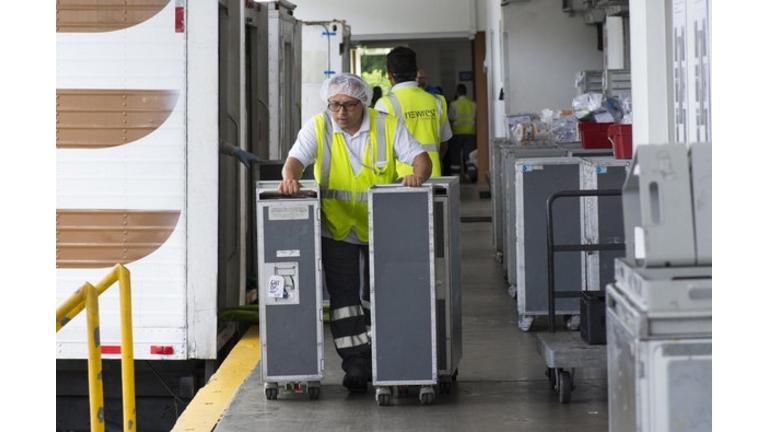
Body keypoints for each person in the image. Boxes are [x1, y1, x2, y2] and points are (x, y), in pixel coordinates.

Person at [278, 73, 432, 393]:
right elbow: (295, 160)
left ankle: (383, 357)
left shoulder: (386, 125)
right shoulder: (319, 126)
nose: (341, 112)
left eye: (348, 105)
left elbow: (421, 159)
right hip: (337, 227)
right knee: (344, 298)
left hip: (382, 226)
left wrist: (417, 177)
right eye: (334, 105)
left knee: (381, 294)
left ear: (363, 103)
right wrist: (290, 177)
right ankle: (356, 363)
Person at [375, 47, 451, 178]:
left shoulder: (384, 104)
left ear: (389, 75)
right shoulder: (437, 101)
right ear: (416, 73)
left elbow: (381, 152)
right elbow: (444, 144)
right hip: (434, 175)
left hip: (402, 179)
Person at [446, 83, 477, 178]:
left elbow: (450, 118)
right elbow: (476, 118)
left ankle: (456, 176)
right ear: (466, 92)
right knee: (469, 155)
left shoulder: (453, 104)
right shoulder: (473, 104)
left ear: (457, 92)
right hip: (470, 133)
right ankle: (471, 175)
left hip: (457, 133)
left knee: (455, 155)